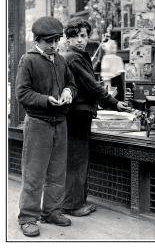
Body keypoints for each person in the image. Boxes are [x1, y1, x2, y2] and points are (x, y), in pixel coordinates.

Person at [15, 16, 77, 237]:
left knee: (58, 172)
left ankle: (52, 211)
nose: (53, 45)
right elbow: (21, 93)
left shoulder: (60, 60)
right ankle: (28, 217)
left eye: (56, 40)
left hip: (60, 123)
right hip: (38, 123)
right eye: (48, 41)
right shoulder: (28, 60)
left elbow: (71, 83)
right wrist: (45, 99)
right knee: (34, 174)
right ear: (37, 40)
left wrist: (69, 92)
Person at [62, 17, 130, 217]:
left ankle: (76, 201)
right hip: (77, 113)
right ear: (67, 38)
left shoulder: (79, 56)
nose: (80, 40)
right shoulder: (73, 57)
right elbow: (91, 85)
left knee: (78, 158)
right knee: (77, 159)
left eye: (83, 36)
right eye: (74, 36)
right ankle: (72, 205)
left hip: (80, 112)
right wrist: (114, 103)